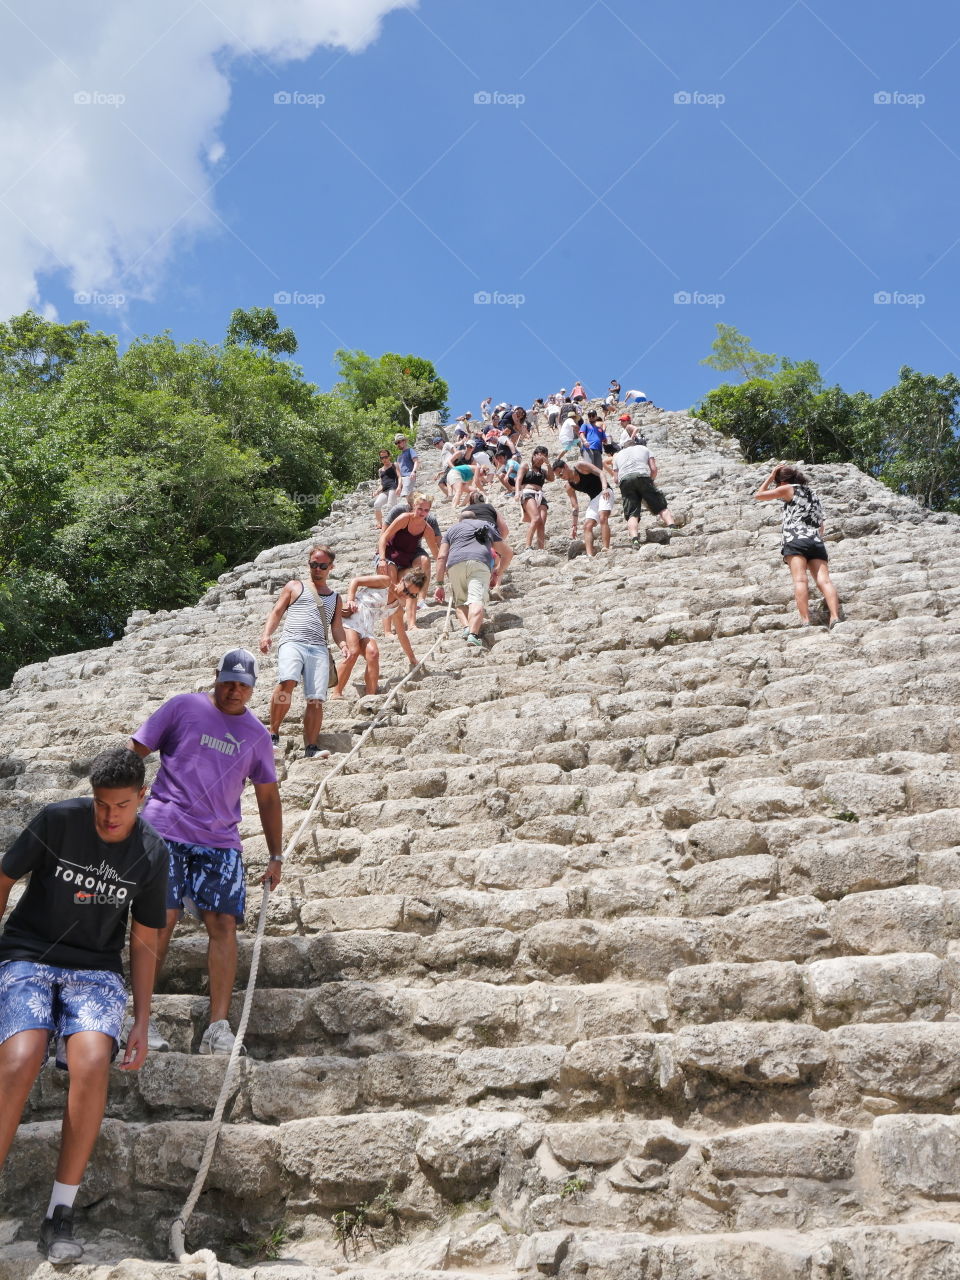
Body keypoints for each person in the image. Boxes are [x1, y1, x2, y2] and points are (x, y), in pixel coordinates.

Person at [0, 748, 167, 1264]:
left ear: (142, 797)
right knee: (22, 1057)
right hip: (28, 954)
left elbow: (144, 940)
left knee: (93, 1060)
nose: (109, 815)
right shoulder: (59, 819)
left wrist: (141, 1019)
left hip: (96, 970)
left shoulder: (152, 852)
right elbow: (4, 880)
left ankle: (61, 1212)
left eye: (120, 805)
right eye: (101, 804)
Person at [128, 651, 283, 1060]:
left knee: (224, 923)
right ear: (216, 677)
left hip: (220, 840)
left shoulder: (256, 735)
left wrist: (275, 855)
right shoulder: (184, 706)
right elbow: (135, 751)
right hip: (165, 828)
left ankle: (218, 1028)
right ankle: (139, 1018)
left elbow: (268, 796)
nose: (235, 690)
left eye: (243, 685)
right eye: (229, 681)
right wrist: (119, 805)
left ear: (253, 688)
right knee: (160, 918)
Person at [260, 546, 349, 755]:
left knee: (316, 698)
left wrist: (343, 644)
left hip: (318, 647)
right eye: (313, 564)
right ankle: (273, 733)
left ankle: (311, 746)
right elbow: (277, 611)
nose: (317, 569)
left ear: (331, 567)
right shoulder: (294, 586)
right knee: (287, 681)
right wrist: (266, 634)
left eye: (322, 565)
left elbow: (336, 627)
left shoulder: (335, 598)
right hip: (293, 641)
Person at [754, 464, 842, 628]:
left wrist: (771, 476)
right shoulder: (813, 494)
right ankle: (835, 617)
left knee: (800, 580)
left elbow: (759, 495)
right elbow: (821, 524)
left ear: (782, 481)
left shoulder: (787, 488)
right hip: (815, 540)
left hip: (796, 540)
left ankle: (806, 621)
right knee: (825, 581)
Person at [333, 569, 424, 697]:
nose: (406, 595)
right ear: (402, 580)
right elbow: (356, 581)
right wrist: (350, 599)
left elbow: (402, 635)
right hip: (353, 617)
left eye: (411, 595)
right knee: (353, 652)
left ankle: (371, 696)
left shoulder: (397, 608)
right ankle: (336, 693)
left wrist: (412, 658)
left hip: (367, 626)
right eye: (406, 590)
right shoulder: (385, 582)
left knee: (373, 654)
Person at [434, 509, 513, 649]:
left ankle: (466, 627)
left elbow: (441, 557)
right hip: (479, 563)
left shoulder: (451, 530)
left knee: (460, 602)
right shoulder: (485, 525)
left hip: (454, 565)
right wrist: (498, 571)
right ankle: (473, 635)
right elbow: (507, 552)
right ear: (474, 518)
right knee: (476, 600)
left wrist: (439, 584)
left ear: (460, 520)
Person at [378, 495, 441, 625]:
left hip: (405, 558)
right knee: (391, 584)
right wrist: (382, 559)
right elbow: (384, 538)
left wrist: (444, 570)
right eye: (419, 509)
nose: (422, 513)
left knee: (412, 581)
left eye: (426, 510)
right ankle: (388, 629)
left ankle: (411, 624)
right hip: (390, 555)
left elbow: (436, 553)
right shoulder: (404, 518)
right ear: (413, 507)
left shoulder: (427, 529)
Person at [613, 435, 675, 546]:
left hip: (625, 481)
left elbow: (616, 479)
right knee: (660, 505)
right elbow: (653, 469)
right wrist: (651, 481)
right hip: (642, 476)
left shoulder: (617, 456)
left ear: (624, 447)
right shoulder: (644, 448)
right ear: (635, 444)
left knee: (632, 513)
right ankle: (673, 528)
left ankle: (635, 540)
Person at [553, 454, 614, 556]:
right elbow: (575, 507)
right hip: (594, 499)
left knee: (603, 516)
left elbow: (601, 473)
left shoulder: (580, 466)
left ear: (565, 466)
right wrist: (574, 525)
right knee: (587, 525)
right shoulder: (569, 486)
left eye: (561, 473)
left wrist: (604, 488)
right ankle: (589, 555)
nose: (561, 476)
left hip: (605, 491)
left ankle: (606, 548)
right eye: (559, 476)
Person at [515, 446, 554, 549]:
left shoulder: (542, 471)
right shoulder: (526, 465)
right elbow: (518, 479)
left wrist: (548, 464)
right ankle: (528, 546)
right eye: (541, 455)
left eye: (545, 456)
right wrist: (517, 492)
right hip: (528, 492)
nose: (542, 459)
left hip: (540, 495)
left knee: (541, 522)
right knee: (535, 518)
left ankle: (541, 548)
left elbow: (552, 478)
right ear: (534, 455)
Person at [373, 449, 399, 529]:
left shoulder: (394, 465)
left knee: (391, 506)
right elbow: (382, 484)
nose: (384, 459)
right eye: (382, 458)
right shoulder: (380, 470)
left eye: (386, 457)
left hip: (393, 488)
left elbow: (399, 476)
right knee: (376, 504)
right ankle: (379, 524)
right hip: (385, 490)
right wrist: (377, 491)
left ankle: (393, 524)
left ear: (389, 457)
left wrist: (399, 487)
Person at [394, 433, 419, 497]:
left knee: (405, 495)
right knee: (403, 497)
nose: (397, 445)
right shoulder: (399, 456)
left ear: (404, 441)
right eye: (396, 443)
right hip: (401, 479)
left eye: (398, 442)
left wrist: (414, 472)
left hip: (409, 476)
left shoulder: (410, 450)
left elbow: (416, 461)